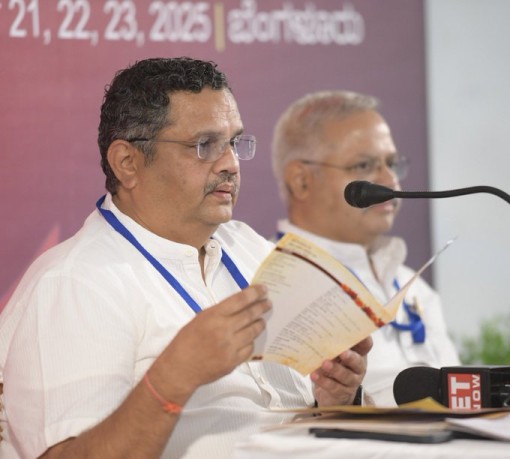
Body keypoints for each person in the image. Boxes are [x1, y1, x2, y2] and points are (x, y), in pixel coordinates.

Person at [0, 59, 372, 459]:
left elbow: (305, 420)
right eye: (205, 145)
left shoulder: (251, 248)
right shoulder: (75, 283)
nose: (230, 163)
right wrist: (172, 379)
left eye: (234, 143)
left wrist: (335, 398)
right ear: (127, 162)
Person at [271, 90, 460, 407]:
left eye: (392, 164)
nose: (389, 180)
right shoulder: (271, 286)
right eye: (364, 165)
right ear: (301, 181)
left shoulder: (415, 287)